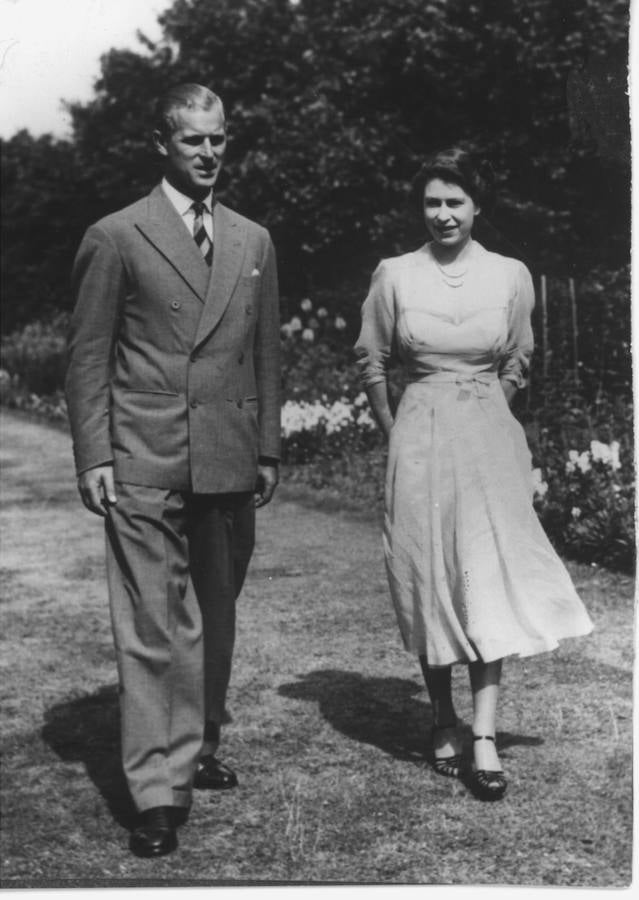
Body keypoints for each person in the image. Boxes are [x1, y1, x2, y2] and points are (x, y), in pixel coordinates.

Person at [65, 84, 281, 855]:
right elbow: (88, 354)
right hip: (145, 456)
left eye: (218, 139)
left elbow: (265, 353)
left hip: (228, 453)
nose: (209, 153)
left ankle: (197, 743)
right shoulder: (117, 235)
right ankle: (157, 790)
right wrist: (95, 453)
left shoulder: (251, 240)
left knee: (215, 619)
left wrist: (267, 445)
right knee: (155, 625)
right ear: (163, 142)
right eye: (193, 141)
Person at [354, 147, 593, 801]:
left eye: (454, 202)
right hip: (420, 441)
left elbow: (519, 354)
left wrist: (486, 414)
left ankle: (483, 735)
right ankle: (441, 717)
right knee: (428, 573)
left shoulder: (510, 275)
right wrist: (398, 429)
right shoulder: (395, 274)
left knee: (485, 574)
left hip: (486, 438)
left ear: (475, 206)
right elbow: (371, 359)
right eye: (431, 202)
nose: (442, 214)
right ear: (419, 209)